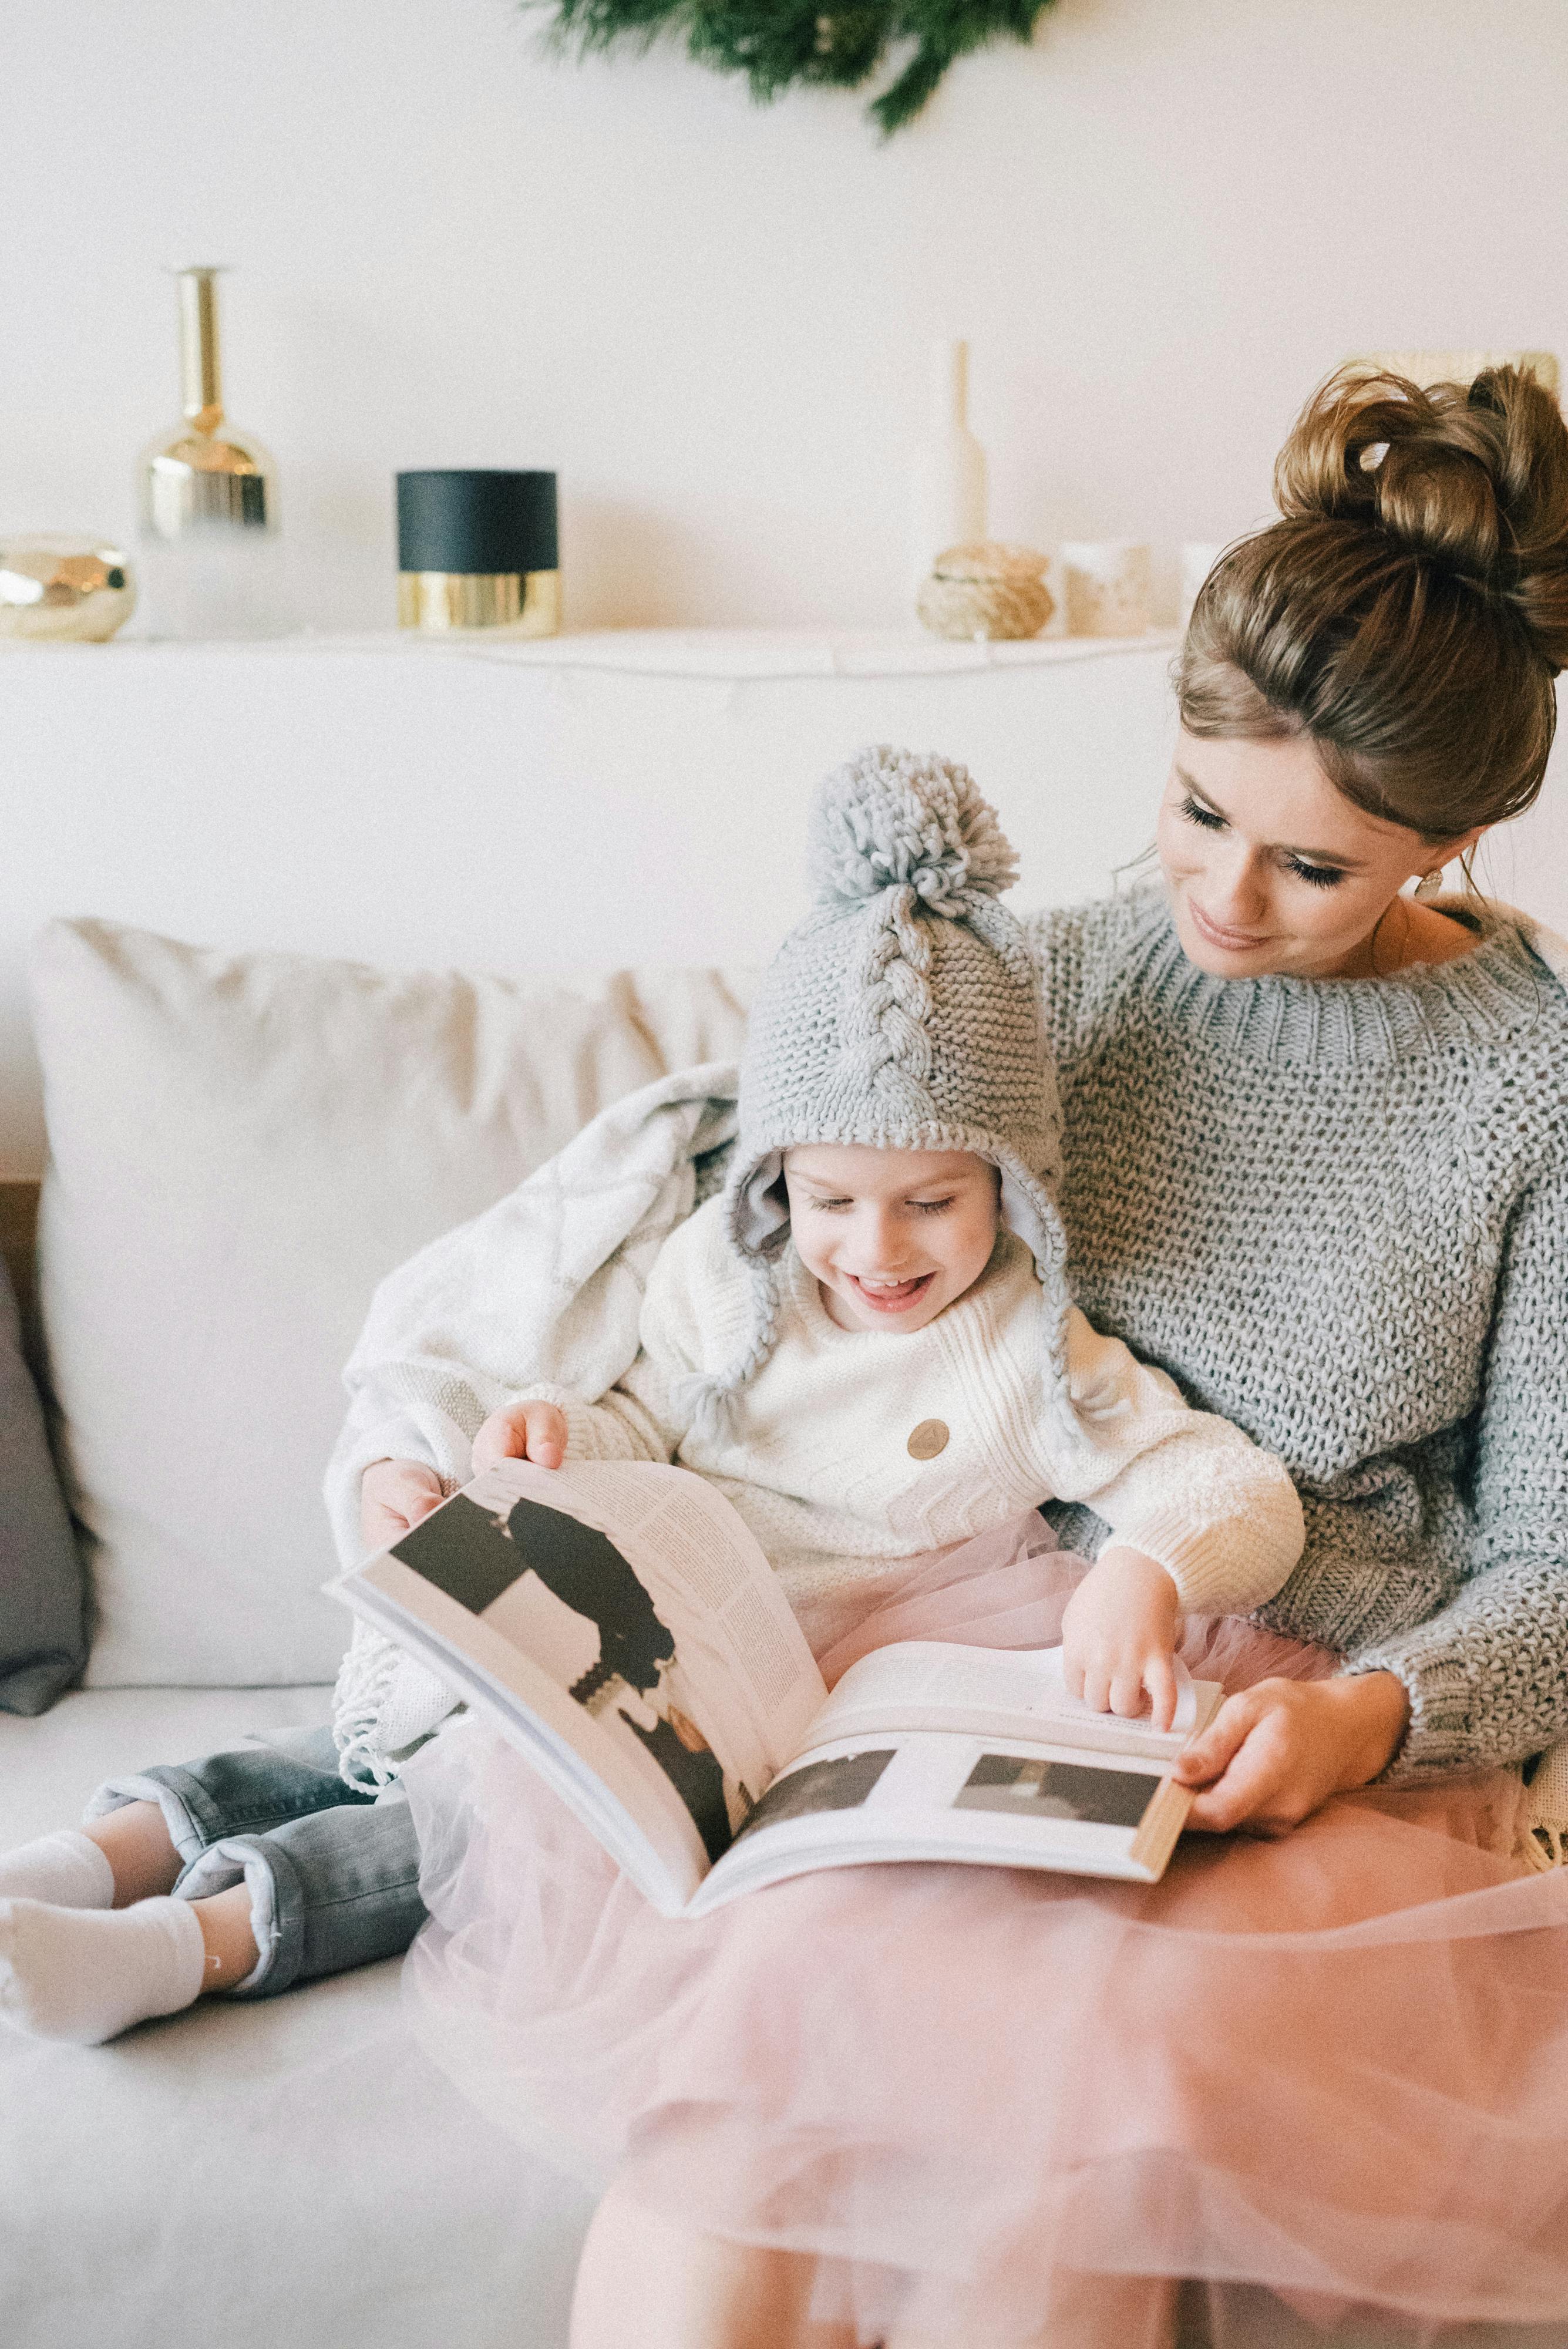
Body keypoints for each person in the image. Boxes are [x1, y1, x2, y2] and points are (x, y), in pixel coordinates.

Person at [398, 364, 1568, 2349]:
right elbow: (779, 1243)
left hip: (1293, 1711)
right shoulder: (1049, 981)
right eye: (1201, 811)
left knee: (1089, 2102)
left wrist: (1365, 1724)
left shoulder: (1531, 1085)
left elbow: (1555, 1562)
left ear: (1444, 846)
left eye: (1312, 869)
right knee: (747, 2101)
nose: (1218, 893)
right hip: (967, 1655)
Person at [0, 745, 1305, 2049]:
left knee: (485, 1814)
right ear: (776, 1177)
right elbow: (645, 1419)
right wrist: (561, 1437)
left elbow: (1230, 1486)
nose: (878, 1249)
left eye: (933, 1202)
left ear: (1012, 1187)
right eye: (831, 1199)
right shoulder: (726, 1281)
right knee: (416, 1722)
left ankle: (195, 1943)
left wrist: (1150, 1567)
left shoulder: (1026, 1343)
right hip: (640, 1629)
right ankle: (101, 1852)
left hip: (790, 1707)